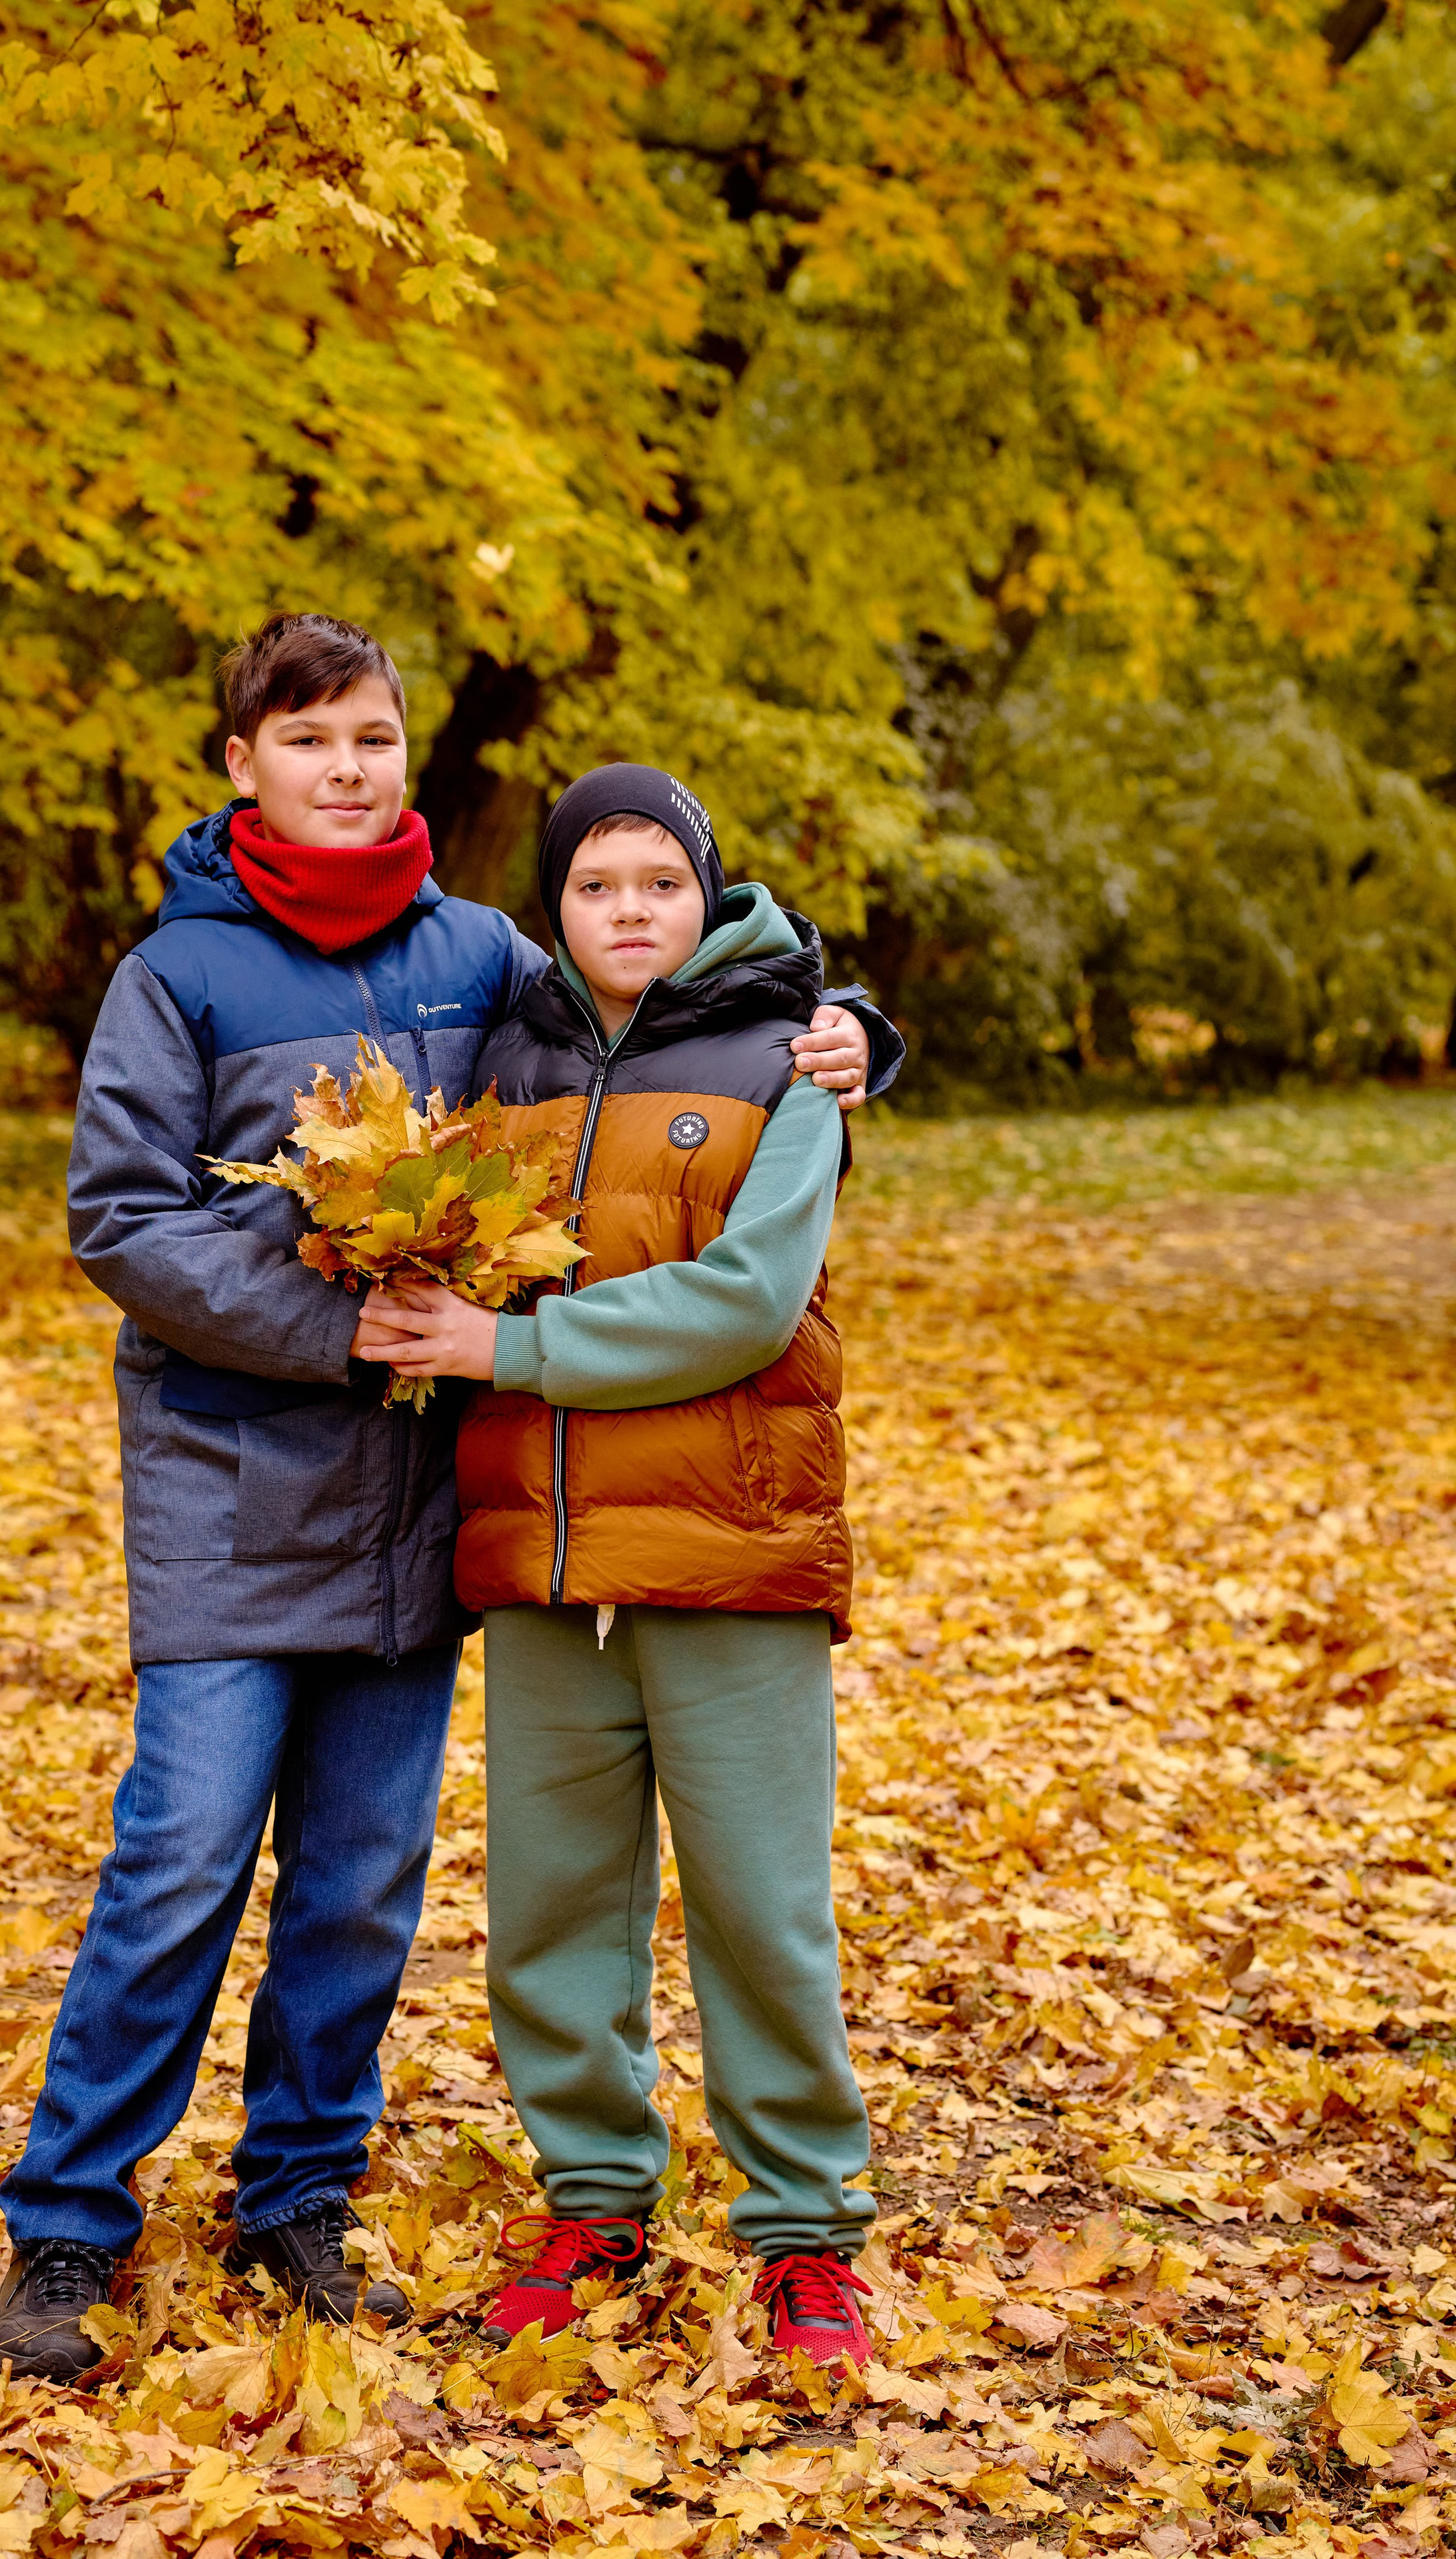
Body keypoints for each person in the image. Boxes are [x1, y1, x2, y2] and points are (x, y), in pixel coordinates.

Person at [0, 616, 891, 2382]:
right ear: (241, 762)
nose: (345, 766)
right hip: (240, 1487)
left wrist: (853, 1028)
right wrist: (356, 1328)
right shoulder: (177, 977)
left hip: (422, 1494)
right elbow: (121, 1225)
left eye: (373, 737)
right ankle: (70, 2228)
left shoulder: (487, 957)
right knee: (180, 1862)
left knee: (361, 1880)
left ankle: (299, 2201)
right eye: (306, 738)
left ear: (406, 757)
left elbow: (677, 1007)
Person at [353, 765, 901, 2370]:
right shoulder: (503, 1051)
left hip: (730, 1545)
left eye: (661, 881)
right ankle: (592, 2197)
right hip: (540, 1555)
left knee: (758, 1909)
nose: (631, 911)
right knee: (549, 1913)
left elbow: (746, 1302)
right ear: (557, 902)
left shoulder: (790, 1050)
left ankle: (804, 2235)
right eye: (598, 885)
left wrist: (504, 1348)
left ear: (708, 890)